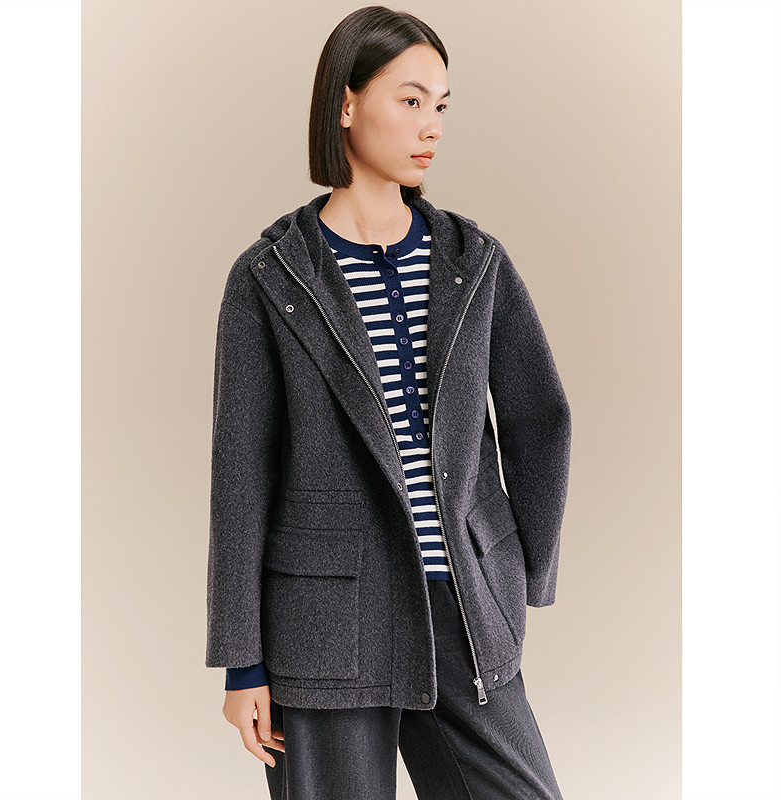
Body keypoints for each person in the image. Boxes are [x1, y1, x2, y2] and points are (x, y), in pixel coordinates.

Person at [205, 6, 572, 799]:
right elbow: (241, 473)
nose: (431, 125)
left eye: (440, 105)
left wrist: (519, 571)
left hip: (461, 606)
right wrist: (243, 662)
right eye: (409, 100)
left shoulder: (474, 259)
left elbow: (540, 418)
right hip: (326, 620)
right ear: (347, 103)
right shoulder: (270, 277)